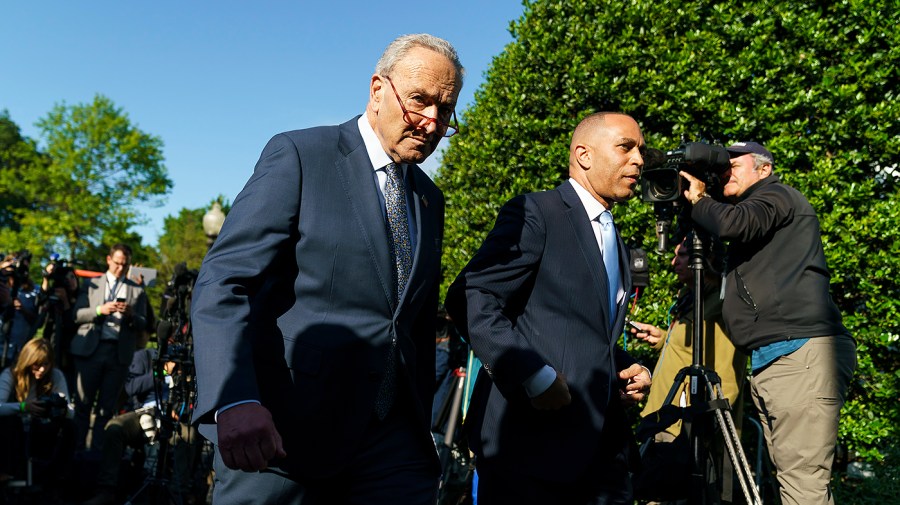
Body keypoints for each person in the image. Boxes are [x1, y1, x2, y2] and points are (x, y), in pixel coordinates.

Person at [190, 33, 464, 505]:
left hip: (392, 451)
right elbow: (224, 281)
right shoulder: (300, 156)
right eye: (419, 100)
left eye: (446, 109)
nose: (431, 121)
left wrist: (420, 436)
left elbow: (411, 325)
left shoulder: (428, 199)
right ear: (378, 89)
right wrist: (233, 399)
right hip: (282, 439)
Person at [445, 112, 652, 504]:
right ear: (584, 155)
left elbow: (582, 331)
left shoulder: (617, 241)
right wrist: (531, 375)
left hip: (600, 454)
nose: (639, 160)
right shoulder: (537, 212)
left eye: (641, 150)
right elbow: (472, 296)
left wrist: (626, 366)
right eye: (626, 147)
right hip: (528, 448)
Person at [680, 141, 856, 505]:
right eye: (722, 166)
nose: (725, 171)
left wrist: (699, 199)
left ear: (764, 169)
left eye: (735, 164)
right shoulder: (764, 215)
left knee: (802, 482)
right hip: (781, 355)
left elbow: (732, 224)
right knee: (794, 479)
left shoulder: (776, 196)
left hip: (798, 353)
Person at [629, 236, 747, 504]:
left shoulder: (724, 302)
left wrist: (709, 425)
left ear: (705, 258)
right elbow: (690, 349)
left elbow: (726, 371)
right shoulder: (692, 297)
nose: (674, 262)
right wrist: (662, 339)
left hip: (686, 427)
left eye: (682, 255)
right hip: (665, 418)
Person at [72, 243, 149, 451]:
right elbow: (76, 315)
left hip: (118, 354)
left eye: (125, 265)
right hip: (90, 350)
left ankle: (96, 455)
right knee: (82, 405)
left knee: (107, 409)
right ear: (109, 260)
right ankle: (76, 452)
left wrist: (132, 315)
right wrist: (99, 309)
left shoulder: (136, 290)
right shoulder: (91, 284)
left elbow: (145, 323)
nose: (120, 268)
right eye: (117, 263)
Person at [0, 338, 74, 486]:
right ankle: (7, 475)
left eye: (45, 364)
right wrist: (23, 407)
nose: (41, 370)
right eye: (37, 365)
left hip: (41, 426)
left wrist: (58, 407)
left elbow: (70, 411)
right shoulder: (10, 374)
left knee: (69, 427)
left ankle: (58, 478)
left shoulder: (55, 375)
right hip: (14, 428)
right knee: (8, 422)